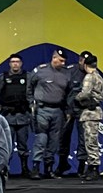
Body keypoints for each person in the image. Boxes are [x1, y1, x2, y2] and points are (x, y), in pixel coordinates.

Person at [27, 48, 70, 179]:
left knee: (54, 141)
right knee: (41, 139)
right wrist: (31, 102)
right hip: (42, 109)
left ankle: (49, 168)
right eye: (61, 60)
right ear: (54, 58)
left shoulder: (66, 73)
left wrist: (67, 110)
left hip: (58, 110)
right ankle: (35, 168)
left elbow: (69, 92)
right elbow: (29, 86)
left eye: (64, 61)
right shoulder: (41, 70)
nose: (62, 63)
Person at [0, 53, 32, 177]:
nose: (15, 64)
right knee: (7, 146)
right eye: (13, 62)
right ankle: (5, 169)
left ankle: (25, 168)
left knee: (23, 144)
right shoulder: (3, 77)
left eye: (17, 61)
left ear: (21, 63)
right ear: (9, 64)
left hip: (23, 115)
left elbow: (30, 94)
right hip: (9, 116)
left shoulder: (27, 76)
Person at [57, 51, 91, 177]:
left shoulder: (92, 74)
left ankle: (82, 166)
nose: (85, 64)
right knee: (63, 137)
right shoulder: (70, 71)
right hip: (68, 110)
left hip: (84, 111)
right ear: (79, 60)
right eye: (83, 61)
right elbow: (63, 90)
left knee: (84, 138)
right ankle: (62, 164)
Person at [75, 54, 103, 181]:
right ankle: (93, 167)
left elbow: (85, 93)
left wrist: (76, 98)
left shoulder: (89, 77)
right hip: (96, 111)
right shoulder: (99, 77)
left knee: (90, 142)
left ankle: (93, 168)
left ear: (85, 65)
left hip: (89, 112)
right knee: (92, 140)